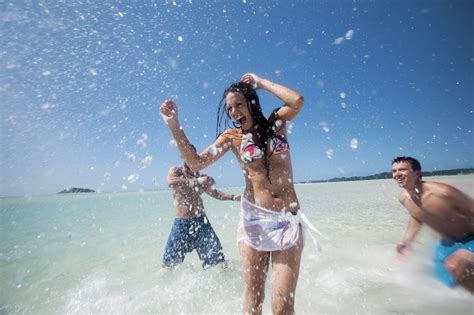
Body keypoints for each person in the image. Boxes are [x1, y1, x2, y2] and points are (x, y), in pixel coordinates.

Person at [160, 73, 320, 314]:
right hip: (254, 220)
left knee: (282, 305)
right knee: (254, 301)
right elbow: (196, 162)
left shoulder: (277, 123)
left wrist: (261, 83)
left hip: (288, 220)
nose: (234, 113)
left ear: (252, 103)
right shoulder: (232, 138)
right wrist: (174, 125)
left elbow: (297, 101)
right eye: (230, 108)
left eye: (238, 105)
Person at [391, 156, 474, 293]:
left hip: (471, 238)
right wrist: (407, 241)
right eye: (394, 171)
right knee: (448, 283)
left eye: (402, 170)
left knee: (454, 265)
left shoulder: (443, 192)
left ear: (416, 173)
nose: (397, 174)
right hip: (448, 243)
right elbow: (417, 216)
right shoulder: (404, 199)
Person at [162, 160, 241, 270]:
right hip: (182, 223)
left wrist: (232, 197)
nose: (189, 156)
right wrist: (198, 181)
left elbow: (214, 193)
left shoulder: (200, 176)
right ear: (183, 156)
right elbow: (172, 182)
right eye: (186, 153)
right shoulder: (176, 171)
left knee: (218, 262)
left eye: (191, 154)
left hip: (201, 222)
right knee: (169, 265)